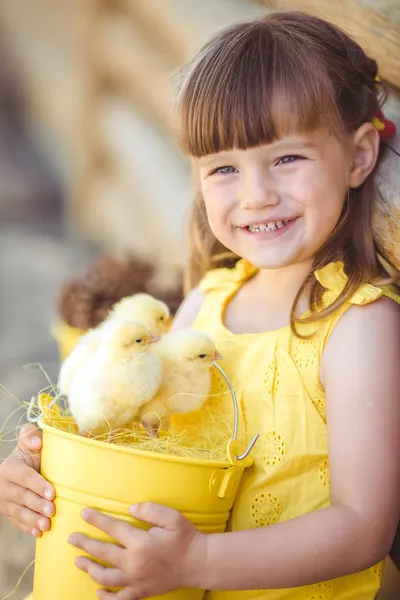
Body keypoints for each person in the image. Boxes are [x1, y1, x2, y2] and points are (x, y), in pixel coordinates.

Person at [1, 11, 400, 600]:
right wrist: (45, 468)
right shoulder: (209, 300)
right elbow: (139, 428)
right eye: (224, 169)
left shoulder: (356, 324)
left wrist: (200, 561)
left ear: (361, 156)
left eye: (287, 158)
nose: (256, 194)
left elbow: (362, 526)